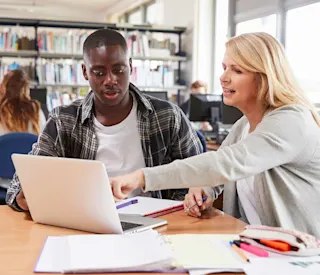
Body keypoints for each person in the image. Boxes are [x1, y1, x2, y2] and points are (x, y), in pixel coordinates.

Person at [110, 32, 320, 238]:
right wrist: (205, 189)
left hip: (301, 257)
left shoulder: (292, 121)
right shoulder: (243, 126)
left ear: (265, 77)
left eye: (237, 70)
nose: (223, 78)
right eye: (224, 67)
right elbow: (219, 175)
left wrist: (142, 177)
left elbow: (225, 163)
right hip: (255, 247)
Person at [6, 29, 203, 211]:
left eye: (119, 70)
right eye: (99, 73)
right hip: (85, 220)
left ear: (131, 67)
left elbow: (202, 173)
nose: (110, 80)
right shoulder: (63, 120)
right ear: (84, 72)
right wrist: (26, 196)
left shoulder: (168, 116)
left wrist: (177, 205)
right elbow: (17, 186)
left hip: (156, 222)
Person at [0, 69, 47, 195]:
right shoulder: (36, 110)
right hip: (31, 181)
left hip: (3, 181)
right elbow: (44, 143)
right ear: (26, 88)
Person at [0, 69, 47, 138]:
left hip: (6, 149)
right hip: (31, 148)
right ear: (25, 89)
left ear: (3, 88)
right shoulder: (35, 109)